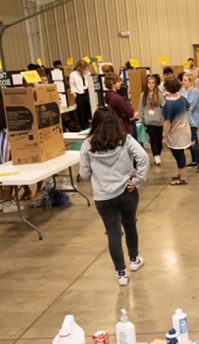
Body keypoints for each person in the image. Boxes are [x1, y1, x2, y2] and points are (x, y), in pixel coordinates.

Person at [79, 107, 148, 286]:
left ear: (94, 124)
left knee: (113, 233)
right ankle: (134, 260)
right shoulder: (125, 140)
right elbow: (143, 158)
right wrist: (138, 179)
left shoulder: (87, 144)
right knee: (130, 225)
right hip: (127, 191)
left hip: (103, 196)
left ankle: (121, 273)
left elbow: (84, 174)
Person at [162, 77, 192, 186]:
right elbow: (190, 108)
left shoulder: (169, 104)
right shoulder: (182, 98)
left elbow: (167, 122)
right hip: (185, 130)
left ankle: (183, 178)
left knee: (178, 155)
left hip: (175, 133)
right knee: (180, 153)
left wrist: (164, 136)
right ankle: (181, 173)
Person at [181, 73, 199, 172]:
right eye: (183, 80)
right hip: (185, 120)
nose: (183, 82)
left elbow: (191, 106)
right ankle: (194, 160)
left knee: (194, 141)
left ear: (191, 82)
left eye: (185, 80)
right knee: (190, 141)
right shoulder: (184, 91)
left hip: (193, 120)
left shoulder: (194, 91)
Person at [140, 75, 165, 166]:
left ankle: (158, 154)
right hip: (149, 121)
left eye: (153, 83)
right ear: (146, 84)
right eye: (149, 83)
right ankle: (156, 155)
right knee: (153, 139)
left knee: (159, 141)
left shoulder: (159, 94)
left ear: (155, 84)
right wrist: (141, 119)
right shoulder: (143, 95)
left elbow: (164, 105)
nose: (150, 85)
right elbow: (141, 108)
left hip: (159, 121)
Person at [69, 59, 92, 129]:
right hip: (79, 94)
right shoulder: (73, 74)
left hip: (87, 92)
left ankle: (89, 124)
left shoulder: (87, 73)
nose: (84, 70)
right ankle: (83, 126)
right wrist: (74, 93)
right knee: (81, 111)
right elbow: (72, 85)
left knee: (89, 110)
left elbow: (90, 82)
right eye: (83, 69)